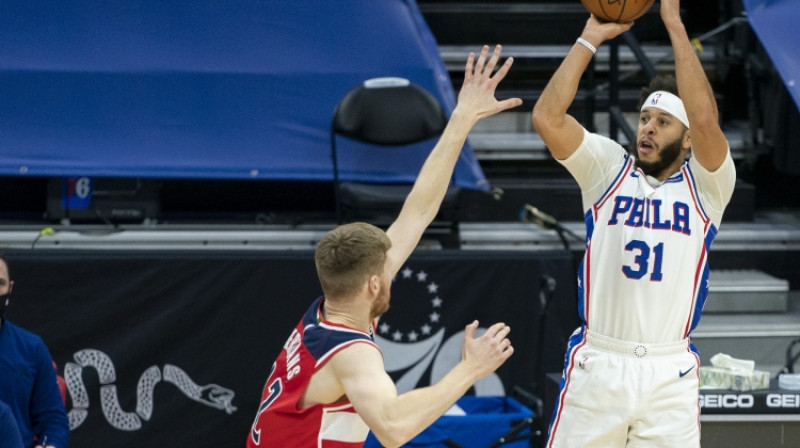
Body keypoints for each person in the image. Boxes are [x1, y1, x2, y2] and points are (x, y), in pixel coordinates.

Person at [246, 45, 521, 448]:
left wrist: (461, 119)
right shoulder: (351, 351)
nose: (393, 268)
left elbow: (418, 211)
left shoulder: (331, 308)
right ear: (373, 285)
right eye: (387, 270)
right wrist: (469, 369)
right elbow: (392, 429)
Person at [531, 0, 736, 446]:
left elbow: (704, 119)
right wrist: (589, 38)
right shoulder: (608, 169)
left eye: (662, 122)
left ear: (686, 140)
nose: (647, 128)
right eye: (644, 118)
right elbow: (547, 119)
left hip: (670, 371)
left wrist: (674, 26)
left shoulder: (709, 187)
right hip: (600, 361)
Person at [0, 255, 70, 448]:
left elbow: (53, 419)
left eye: (0, 283)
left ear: (10, 289)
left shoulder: (32, 348)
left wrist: (52, 445)